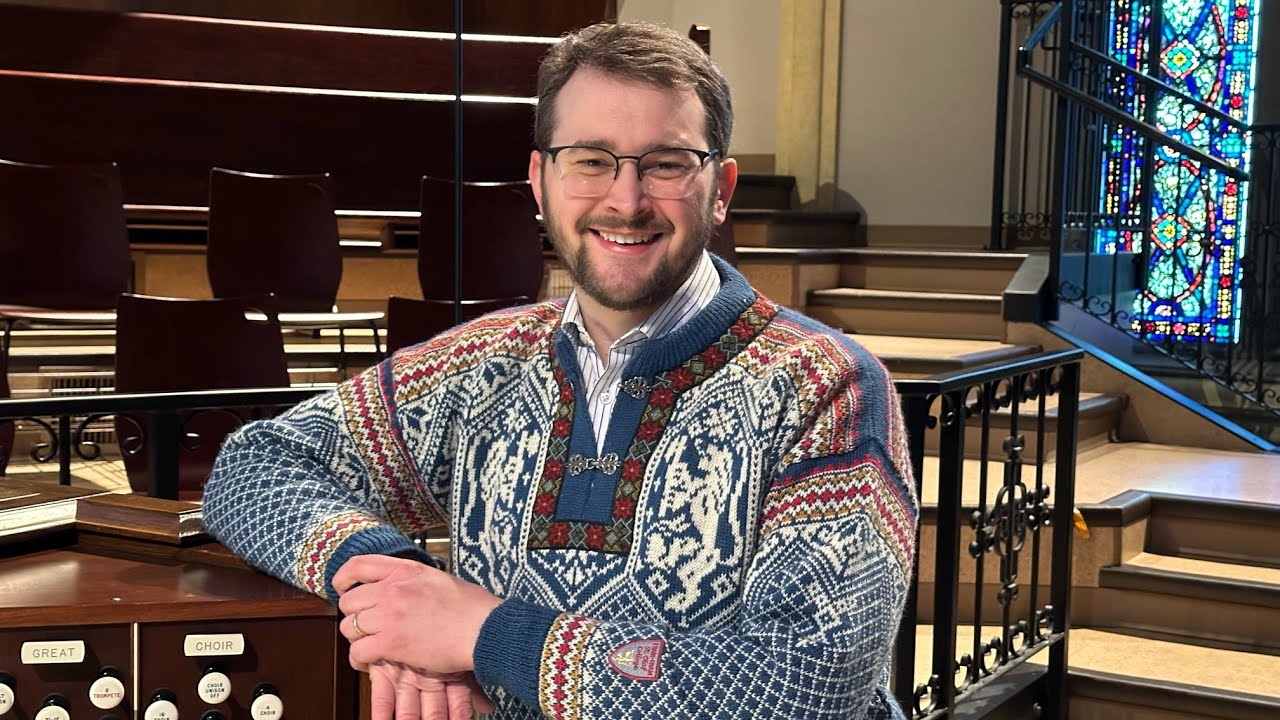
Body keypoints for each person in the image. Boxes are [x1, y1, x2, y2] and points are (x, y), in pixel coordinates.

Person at [203, 20, 918, 720]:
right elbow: (255, 465)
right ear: (540, 179)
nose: (625, 199)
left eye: (666, 162)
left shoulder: (829, 386)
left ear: (721, 187)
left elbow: (808, 685)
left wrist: (484, 632)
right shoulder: (479, 365)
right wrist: (395, 587)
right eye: (590, 158)